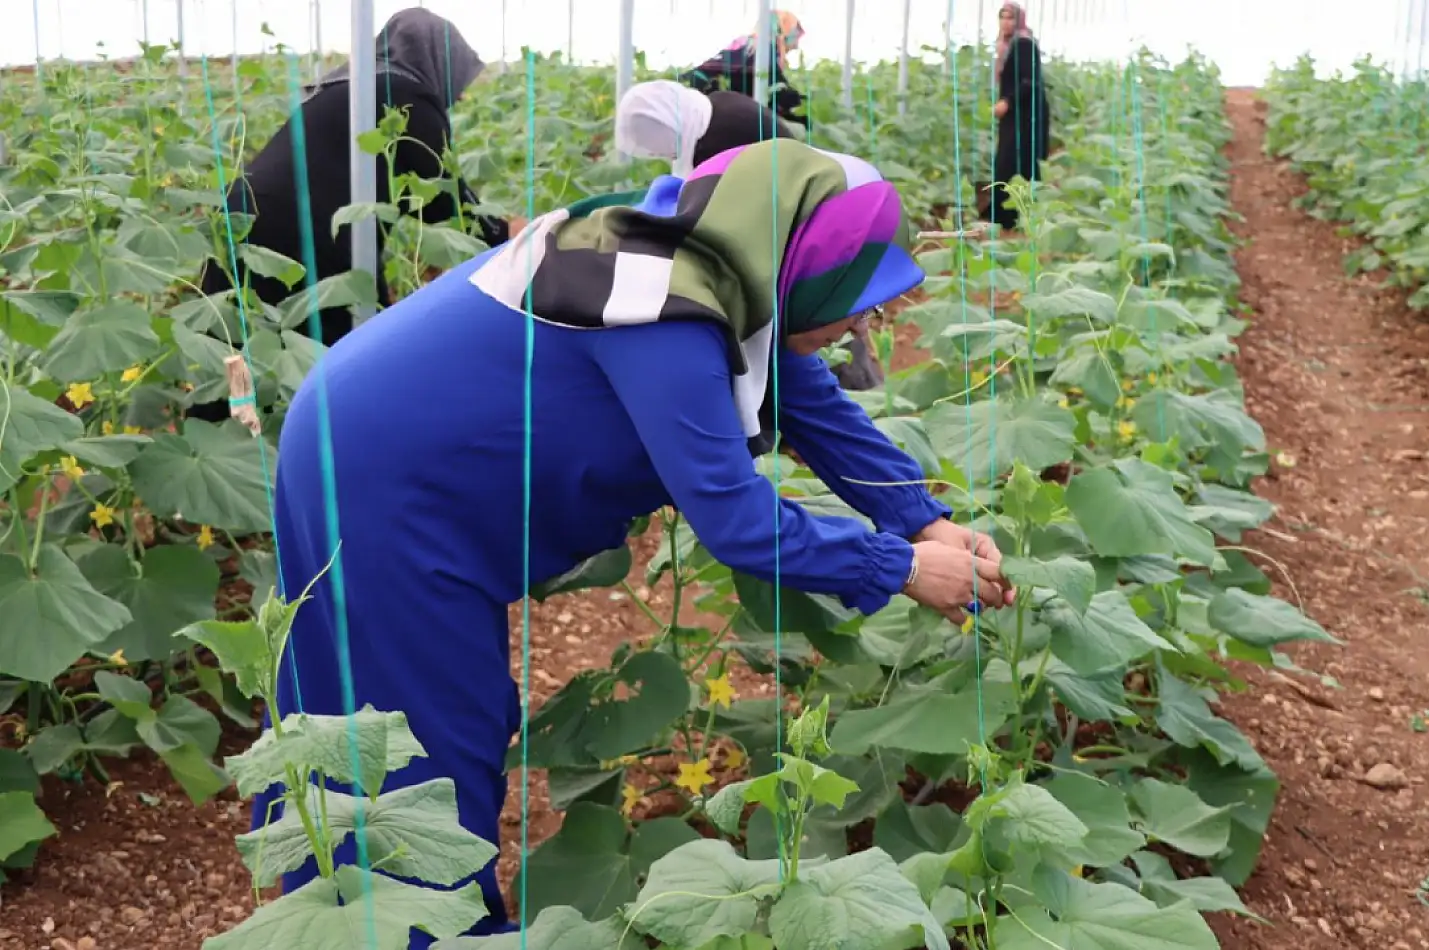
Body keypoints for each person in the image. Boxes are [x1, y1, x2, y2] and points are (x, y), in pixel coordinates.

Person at [256, 140, 1013, 945]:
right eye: (859, 296)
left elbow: (813, 405)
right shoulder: (660, 311)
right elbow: (738, 521)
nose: (868, 320)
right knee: (418, 736)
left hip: (384, 448)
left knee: (424, 715)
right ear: (806, 267)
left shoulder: (723, 263)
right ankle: (407, 932)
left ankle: (382, 918)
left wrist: (921, 518)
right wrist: (898, 567)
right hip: (381, 480)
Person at [190, 7, 513, 423]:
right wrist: (512, 232)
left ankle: (227, 456)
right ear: (437, 60)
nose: (462, 94)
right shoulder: (408, 97)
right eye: (461, 79)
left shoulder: (353, 84)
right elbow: (448, 209)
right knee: (338, 369)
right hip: (296, 234)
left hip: (241, 216)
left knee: (238, 352)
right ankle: (310, 464)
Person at [593, 79, 884, 390]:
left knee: (816, 323)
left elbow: (706, 205)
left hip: (790, 222)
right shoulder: (716, 110)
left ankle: (853, 388)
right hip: (796, 216)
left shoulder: (720, 138)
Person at [982, 2, 1051, 231]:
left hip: (1026, 113)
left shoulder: (1023, 44)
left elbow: (1029, 81)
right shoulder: (1009, 45)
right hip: (1017, 112)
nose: (1006, 23)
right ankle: (1007, 213)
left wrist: (1007, 101)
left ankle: (1011, 216)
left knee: (1016, 160)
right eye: (1002, 18)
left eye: (1010, 18)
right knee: (1010, 160)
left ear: (1019, 20)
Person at [687, 9, 810, 130]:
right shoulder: (763, 50)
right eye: (794, 37)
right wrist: (806, 112)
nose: (795, 46)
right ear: (783, 31)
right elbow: (778, 93)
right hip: (715, 112)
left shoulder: (745, 44)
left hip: (698, 105)